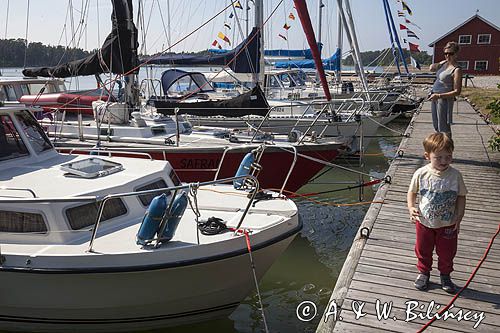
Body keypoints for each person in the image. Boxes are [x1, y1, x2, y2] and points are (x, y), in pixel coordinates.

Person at [407, 133, 467, 293]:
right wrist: (411, 207)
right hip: (424, 222)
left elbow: (461, 196)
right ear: (427, 156)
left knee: (447, 252)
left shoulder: (455, 175)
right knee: (422, 248)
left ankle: (445, 275)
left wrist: (459, 217)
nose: (444, 161)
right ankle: (424, 272)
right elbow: (412, 192)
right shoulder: (421, 173)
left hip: (448, 223)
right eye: (438, 157)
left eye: (448, 157)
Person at [428, 41, 463, 137]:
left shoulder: (457, 70)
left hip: (444, 99)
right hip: (435, 97)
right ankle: (441, 148)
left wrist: (439, 95)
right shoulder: (443, 65)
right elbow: (431, 68)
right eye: (446, 53)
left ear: (456, 54)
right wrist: (440, 63)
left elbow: (457, 91)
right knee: (436, 126)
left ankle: (448, 149)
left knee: (444, 128)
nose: (448, 56)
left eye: (450, 53)